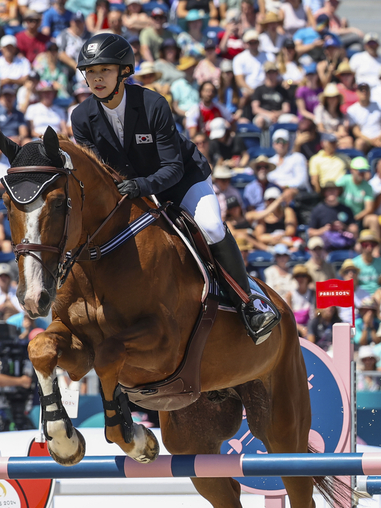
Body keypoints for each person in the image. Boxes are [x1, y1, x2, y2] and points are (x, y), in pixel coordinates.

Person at [71, 33, 279, 342]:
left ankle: (249, 304)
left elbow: (173, 167)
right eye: (90, 72)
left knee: (210, 227)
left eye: (104, 70)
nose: (96, 78)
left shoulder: (153, 103)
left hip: (182, 180)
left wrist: (140, 186)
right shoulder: (82, 117)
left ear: (124, 72)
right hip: (130, 190)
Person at [347, 83, 381, 153]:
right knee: (359, 143)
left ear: (370, 92)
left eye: (366, 90)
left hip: (380, 138)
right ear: (357, 92)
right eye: (361, 90)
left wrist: (378, 138)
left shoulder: (379, 105)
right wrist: (369, 140)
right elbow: (355, 130)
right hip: (364, 139)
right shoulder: (352, 110)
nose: (364, 92)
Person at [308, 181, 358, 250]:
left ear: (338, 192)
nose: (331, 192)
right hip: (325, 244)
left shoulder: (346, 209)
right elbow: (310, 232)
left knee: (358, 246)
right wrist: (325, 229)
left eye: (334, 190)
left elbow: (354, 229)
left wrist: (344, 227)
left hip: (345, 241)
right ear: (324, 193)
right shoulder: (318, 210)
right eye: (329, 190)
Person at [248, 60, 294, 130]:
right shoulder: (259, 89)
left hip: (279, 115)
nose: (271, 75)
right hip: (264, 115)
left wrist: (277, 114)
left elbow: (286, 108)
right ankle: (262, 140)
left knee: (294, 120)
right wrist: (269, 114)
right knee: (260, 121)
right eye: (269, 72)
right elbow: (255, 109)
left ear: (277, 73)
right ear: (265, 73)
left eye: (273, 72)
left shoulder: (282, 90)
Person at [336, 157, 377, 234]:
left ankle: (374, 244)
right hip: (340, 215)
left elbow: (369, 208)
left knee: (373, 219)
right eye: (360, 171)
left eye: (364, 171)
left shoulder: (367, 187)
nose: (362, 174)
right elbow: (333, 197)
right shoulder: (343, 181)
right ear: (352, 170)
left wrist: (354, 218)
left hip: (358, 218)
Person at [267, 128, 310, 193]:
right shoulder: (269, 161)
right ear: (273, 144)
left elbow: (302, 181)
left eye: (284, 141)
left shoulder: (297, 157)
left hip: (296, 193)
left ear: (288, 144)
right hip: (275, 192)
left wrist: (285, 186)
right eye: (278, 141)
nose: (281, 144)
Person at [233, 29, 272, 96]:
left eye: (255, 42)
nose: (253, 45)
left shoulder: (269, 57)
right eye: (250, 43)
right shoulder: (239, 59)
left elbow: (273, 76)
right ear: (245, 44)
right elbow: (239, 80)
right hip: (248, 91)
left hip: (266, 91)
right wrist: (252, 92)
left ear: (259, 42)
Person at [313, 83, 352, 148]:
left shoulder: (341, 114)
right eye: (330, 98)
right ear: (326, 99)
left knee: (348, 141)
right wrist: (334, 134)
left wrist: (338, 133)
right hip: (324, 139)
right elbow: (321, 129)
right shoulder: (319, 110)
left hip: (337, 140)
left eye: (334, 97)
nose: (332, 100)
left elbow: (342, 132)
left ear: (338, 99)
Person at [352, 230, 381, 295]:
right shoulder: (354, 263)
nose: (369, 248)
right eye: (365, 245)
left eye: (372, 245)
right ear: (361, 245)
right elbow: (352, 286)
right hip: (360, 297)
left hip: (379, 296)